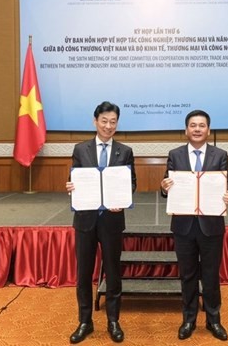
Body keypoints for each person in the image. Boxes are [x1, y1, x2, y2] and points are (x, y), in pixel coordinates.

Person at [66, 101, 137, 344]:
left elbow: (132, 184)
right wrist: (71, 187)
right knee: (83, 274)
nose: (108, 126)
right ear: (95, 121)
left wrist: (123, 199)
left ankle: (113, 321)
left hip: (112, 221)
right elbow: (73, 178)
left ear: (117, 124)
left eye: (113, 121)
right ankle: (85, 321)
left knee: (113, 272)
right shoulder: (80, 149)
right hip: (85, 220)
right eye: (104, 121)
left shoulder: (125, 151)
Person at [160, 110, 228, 341]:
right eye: (193, 125)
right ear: (186, 130)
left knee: (211, 276)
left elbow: (227, 181)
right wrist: (164, 187)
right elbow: (166, 188)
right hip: (183, 226)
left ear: (208, 130)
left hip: (211, 225)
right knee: (188, 276)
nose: (197, 129)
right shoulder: (175, 154)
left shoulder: (220, 154)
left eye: (202, 125)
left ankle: (214, 320)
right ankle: (188, 319)